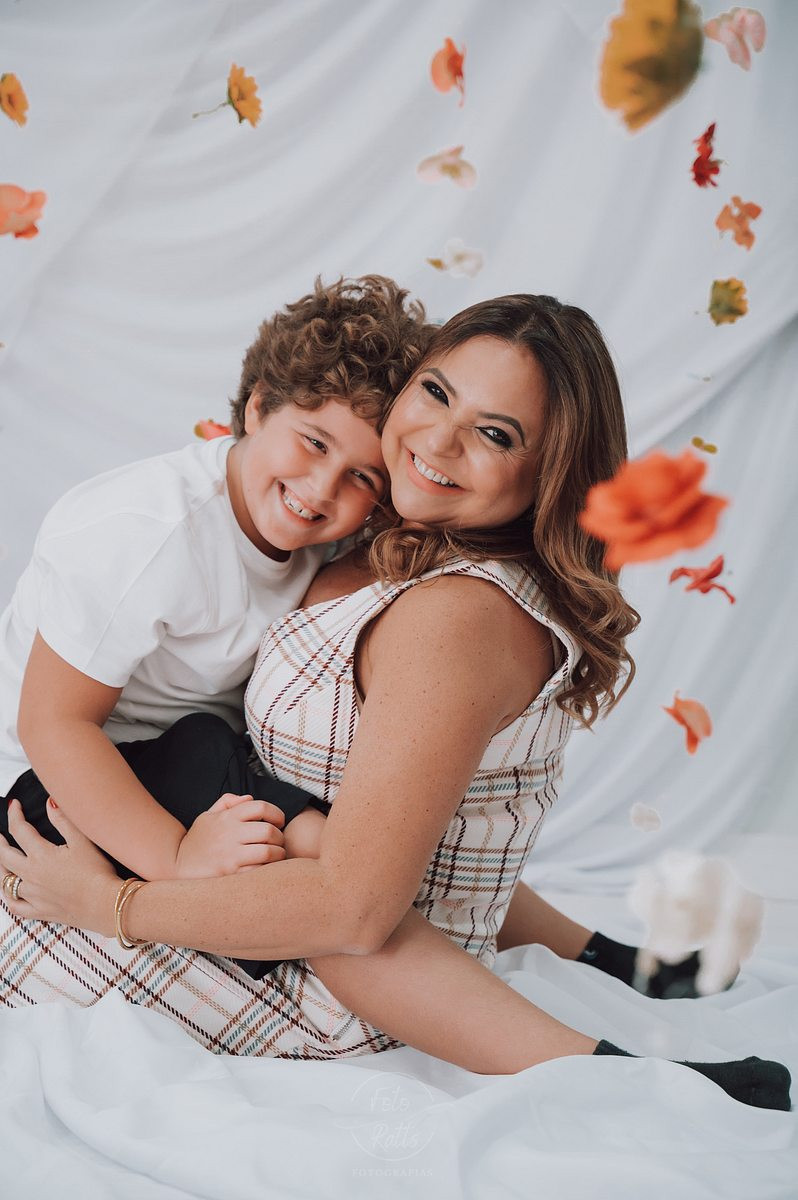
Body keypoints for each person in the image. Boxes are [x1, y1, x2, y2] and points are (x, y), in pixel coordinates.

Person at [1, 295, 790, 1111]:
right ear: (260, 408)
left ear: (547, 472)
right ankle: (602, 958)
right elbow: (55, 722)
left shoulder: (440, 604)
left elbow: (354, 902)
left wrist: (118, 904)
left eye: (496, 434)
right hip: (86, 781)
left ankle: (628, 1076)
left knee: (310, 837)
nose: (438, 444)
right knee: (304, 820)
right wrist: (166, 866)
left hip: (282, 887)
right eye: (438, 393)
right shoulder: (230, 532)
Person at [0, 275, 431, 890]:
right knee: (309, 839)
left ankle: (550, 934)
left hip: (190, 757)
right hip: (47, 786)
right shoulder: (148, 532)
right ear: (258, 408)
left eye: (363, 476)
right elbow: (52, 726)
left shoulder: (331, 541)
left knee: (378, 820)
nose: (321, 489)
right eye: (314, 443)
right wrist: (176, 857)